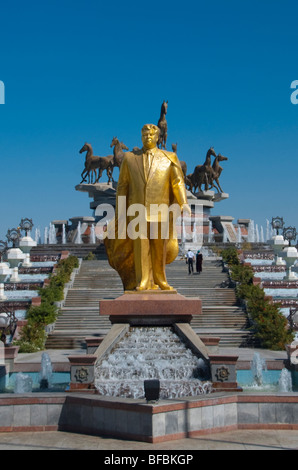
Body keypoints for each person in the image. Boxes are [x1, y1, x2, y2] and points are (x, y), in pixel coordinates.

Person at [104, 123, 191, 291]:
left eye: (151, 135)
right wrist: (121, 211)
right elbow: (122, 186)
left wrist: (183, 202)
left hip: (161, 211)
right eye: (144, 135)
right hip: (138, 212)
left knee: (160, 247)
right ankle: (143, 280)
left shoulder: (169, 157)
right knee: (141, 246)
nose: (148, 138)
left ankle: (160, 279)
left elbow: (177, 182)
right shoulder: (130, 158)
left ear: (158, 138)